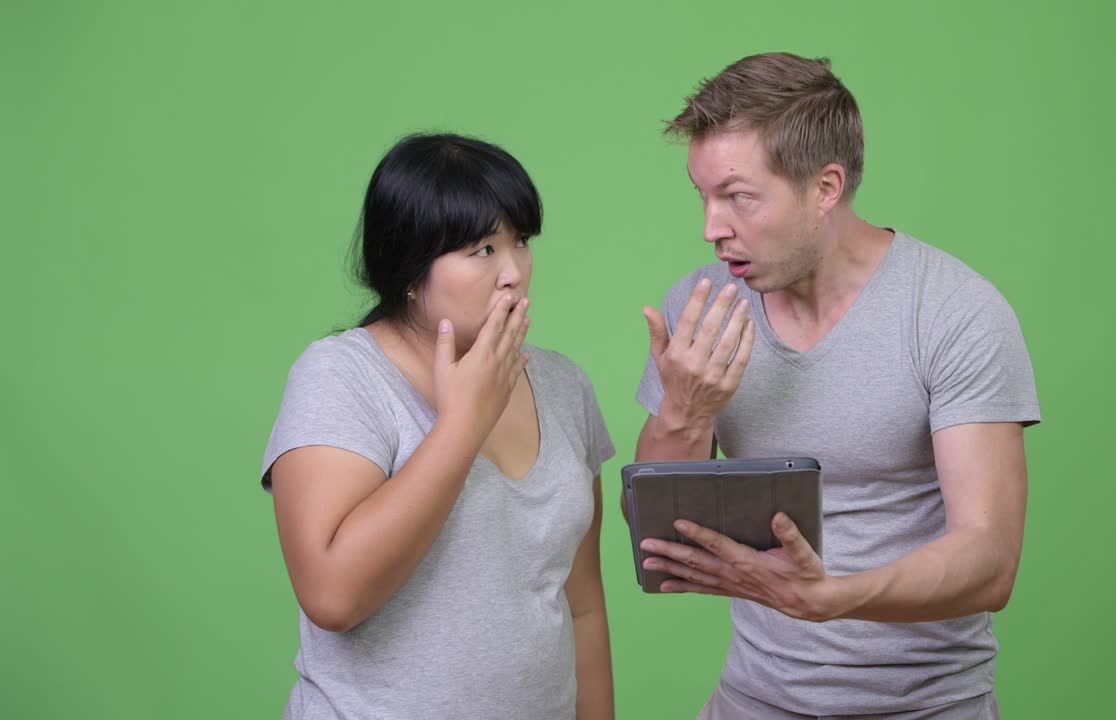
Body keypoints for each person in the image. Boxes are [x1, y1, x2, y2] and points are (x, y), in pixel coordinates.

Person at [633, 53, 1040, 719]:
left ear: (825, 188)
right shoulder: (701, 310)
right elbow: (658, 538)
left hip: (928, 705)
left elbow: (991, 560)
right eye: (702, 196)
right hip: (754, 699)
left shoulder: (953, 311)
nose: (711, 228)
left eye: (738, 197)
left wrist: (833, 596)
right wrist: (684, 408)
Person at [260, 133, 615, 720]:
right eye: (482, 249)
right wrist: (462, 425)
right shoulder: (340, 376)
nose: (513, 273)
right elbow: (333, 595)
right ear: (409, 264)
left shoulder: (562, 384)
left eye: (520, 242)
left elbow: (582, 607)